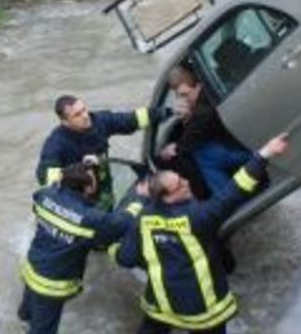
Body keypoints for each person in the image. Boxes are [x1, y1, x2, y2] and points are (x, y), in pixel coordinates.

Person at [116, 134, 289, 333]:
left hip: (161, 306)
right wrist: (265, 153)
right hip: (204, 311)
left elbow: (126, 258)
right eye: (180, 185)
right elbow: (234, 191)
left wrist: (112, 246)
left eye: (181, 178)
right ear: (168, 197)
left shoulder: (143, 219)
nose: (187, 182)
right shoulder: (198, 217)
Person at [19, 162, 148, 334]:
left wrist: (82, 166)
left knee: (28, 314)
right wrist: (139, 197)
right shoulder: (88, 218)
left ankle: (24, 324)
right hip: (51, 285)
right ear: (87, 188)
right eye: (93, 180)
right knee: (43, 329)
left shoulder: (44, 196)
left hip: (32, 268)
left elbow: (53, 180)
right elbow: (121, 223)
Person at [36, 95, 170, 211]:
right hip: (77, 199)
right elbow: (43, 176)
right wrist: (79, 169)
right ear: (65, 122)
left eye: (84, 109)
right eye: (77, 115)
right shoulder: (56, 143)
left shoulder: (99, 121)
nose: (85, 116)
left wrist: (165, 112)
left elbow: (131, 120)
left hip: (103, 189)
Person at [158, 65, 253, 199]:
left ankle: (226, 200)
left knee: (203, 155)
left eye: (185, 94)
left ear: (198, 86)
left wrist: (173, 148)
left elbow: (188, 142)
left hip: (244, 147)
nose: (184, 99)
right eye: (179, 96)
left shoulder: (203, 109)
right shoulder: (212, 88)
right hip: (242, 138)